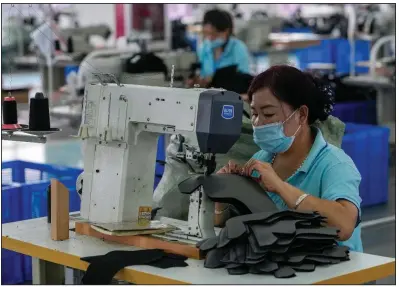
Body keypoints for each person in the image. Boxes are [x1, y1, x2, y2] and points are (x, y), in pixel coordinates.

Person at [215, 65, 363, 252]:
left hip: (337, 271)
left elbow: (344, 226)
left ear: (301, 114)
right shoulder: (262, 159)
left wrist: (280, 186)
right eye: (254, 114)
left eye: (268, 114)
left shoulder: (334, 164)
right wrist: (224, 197)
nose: (258, 123)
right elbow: (240, 227)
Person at [188, 9, 251, 88]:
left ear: (226, 31)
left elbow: (245, 81)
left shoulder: (238, 48)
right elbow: (200, 73)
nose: (210, 38)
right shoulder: (204, 48)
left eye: (214, 34)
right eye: (207, 33)